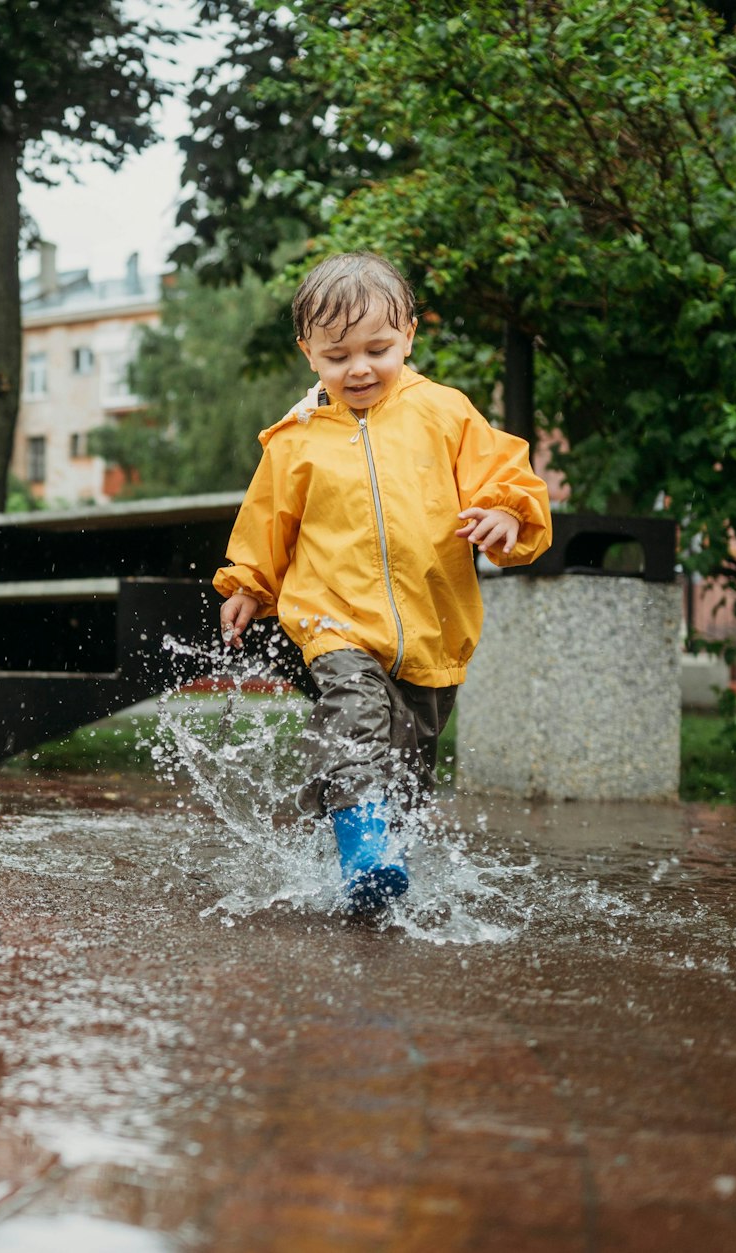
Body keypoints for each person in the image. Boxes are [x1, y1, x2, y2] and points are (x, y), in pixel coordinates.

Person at [214, 252, 551, 913]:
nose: (360, 368)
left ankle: (358, 862)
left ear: (410, 337)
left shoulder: (445, 413)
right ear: (309, 352)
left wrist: (508, 511)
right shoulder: (298, 437)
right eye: (338, 355)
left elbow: (503, 474)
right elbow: (266, 517)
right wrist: (249, 582)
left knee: (408, 776)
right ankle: (363, 846)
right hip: (333, 619)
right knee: (357, 716)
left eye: (378, 348)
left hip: (433, 628)